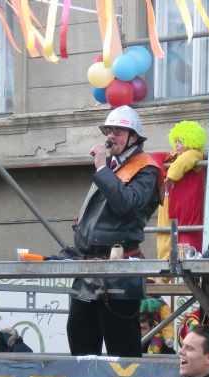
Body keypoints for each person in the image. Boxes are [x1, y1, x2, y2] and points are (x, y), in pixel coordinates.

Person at [67, 106, 164, 358]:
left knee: (122, 355)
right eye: (109, 130)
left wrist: (101, 170)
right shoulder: (112, 167)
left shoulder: (146, 168)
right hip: (88, 271)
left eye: (119, 131)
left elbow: (129, 204)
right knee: (81, 352)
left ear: (134, 137)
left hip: (118, 274)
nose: (111, 136)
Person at [155, 120, 207, 259]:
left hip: (186, 211)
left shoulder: (196, 155)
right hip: (168, 205)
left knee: (187, 245)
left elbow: (187, 158)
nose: (176, 145)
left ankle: (183, 277)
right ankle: (163, 274)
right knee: (164, 240)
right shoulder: (172, 157)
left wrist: (171, 176)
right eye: (176, 141)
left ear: (191, 142)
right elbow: (154, 158)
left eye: (181, 141)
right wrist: (161, 174)